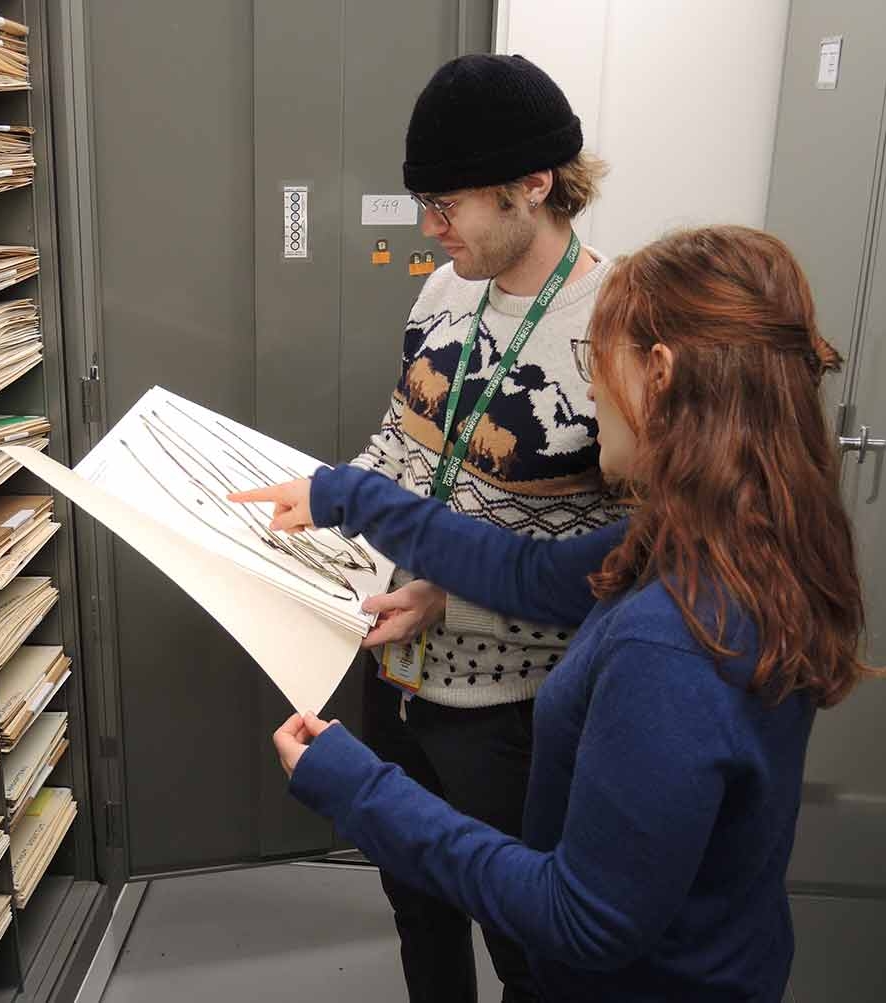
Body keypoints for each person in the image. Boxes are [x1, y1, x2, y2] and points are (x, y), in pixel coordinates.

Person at [231, 226, 875, 1002]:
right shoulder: (739, 533)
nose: (589, 391)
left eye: (595, 362)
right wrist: (352, 498)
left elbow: (581, 919)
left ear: (658, 376)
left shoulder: (673, 641)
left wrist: (355, 785)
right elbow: (528, 572)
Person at [346, 52, 615, 1003]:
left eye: (445, 204)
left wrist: (448, 598)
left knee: (526, 947)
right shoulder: (444, 292)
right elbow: (403, 438)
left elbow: (617, 571)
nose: (428, 228)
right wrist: (327, 528)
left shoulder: (615, 331)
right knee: (418, 911)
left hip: (514, 717)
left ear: (532, 186)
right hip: (396, 677)